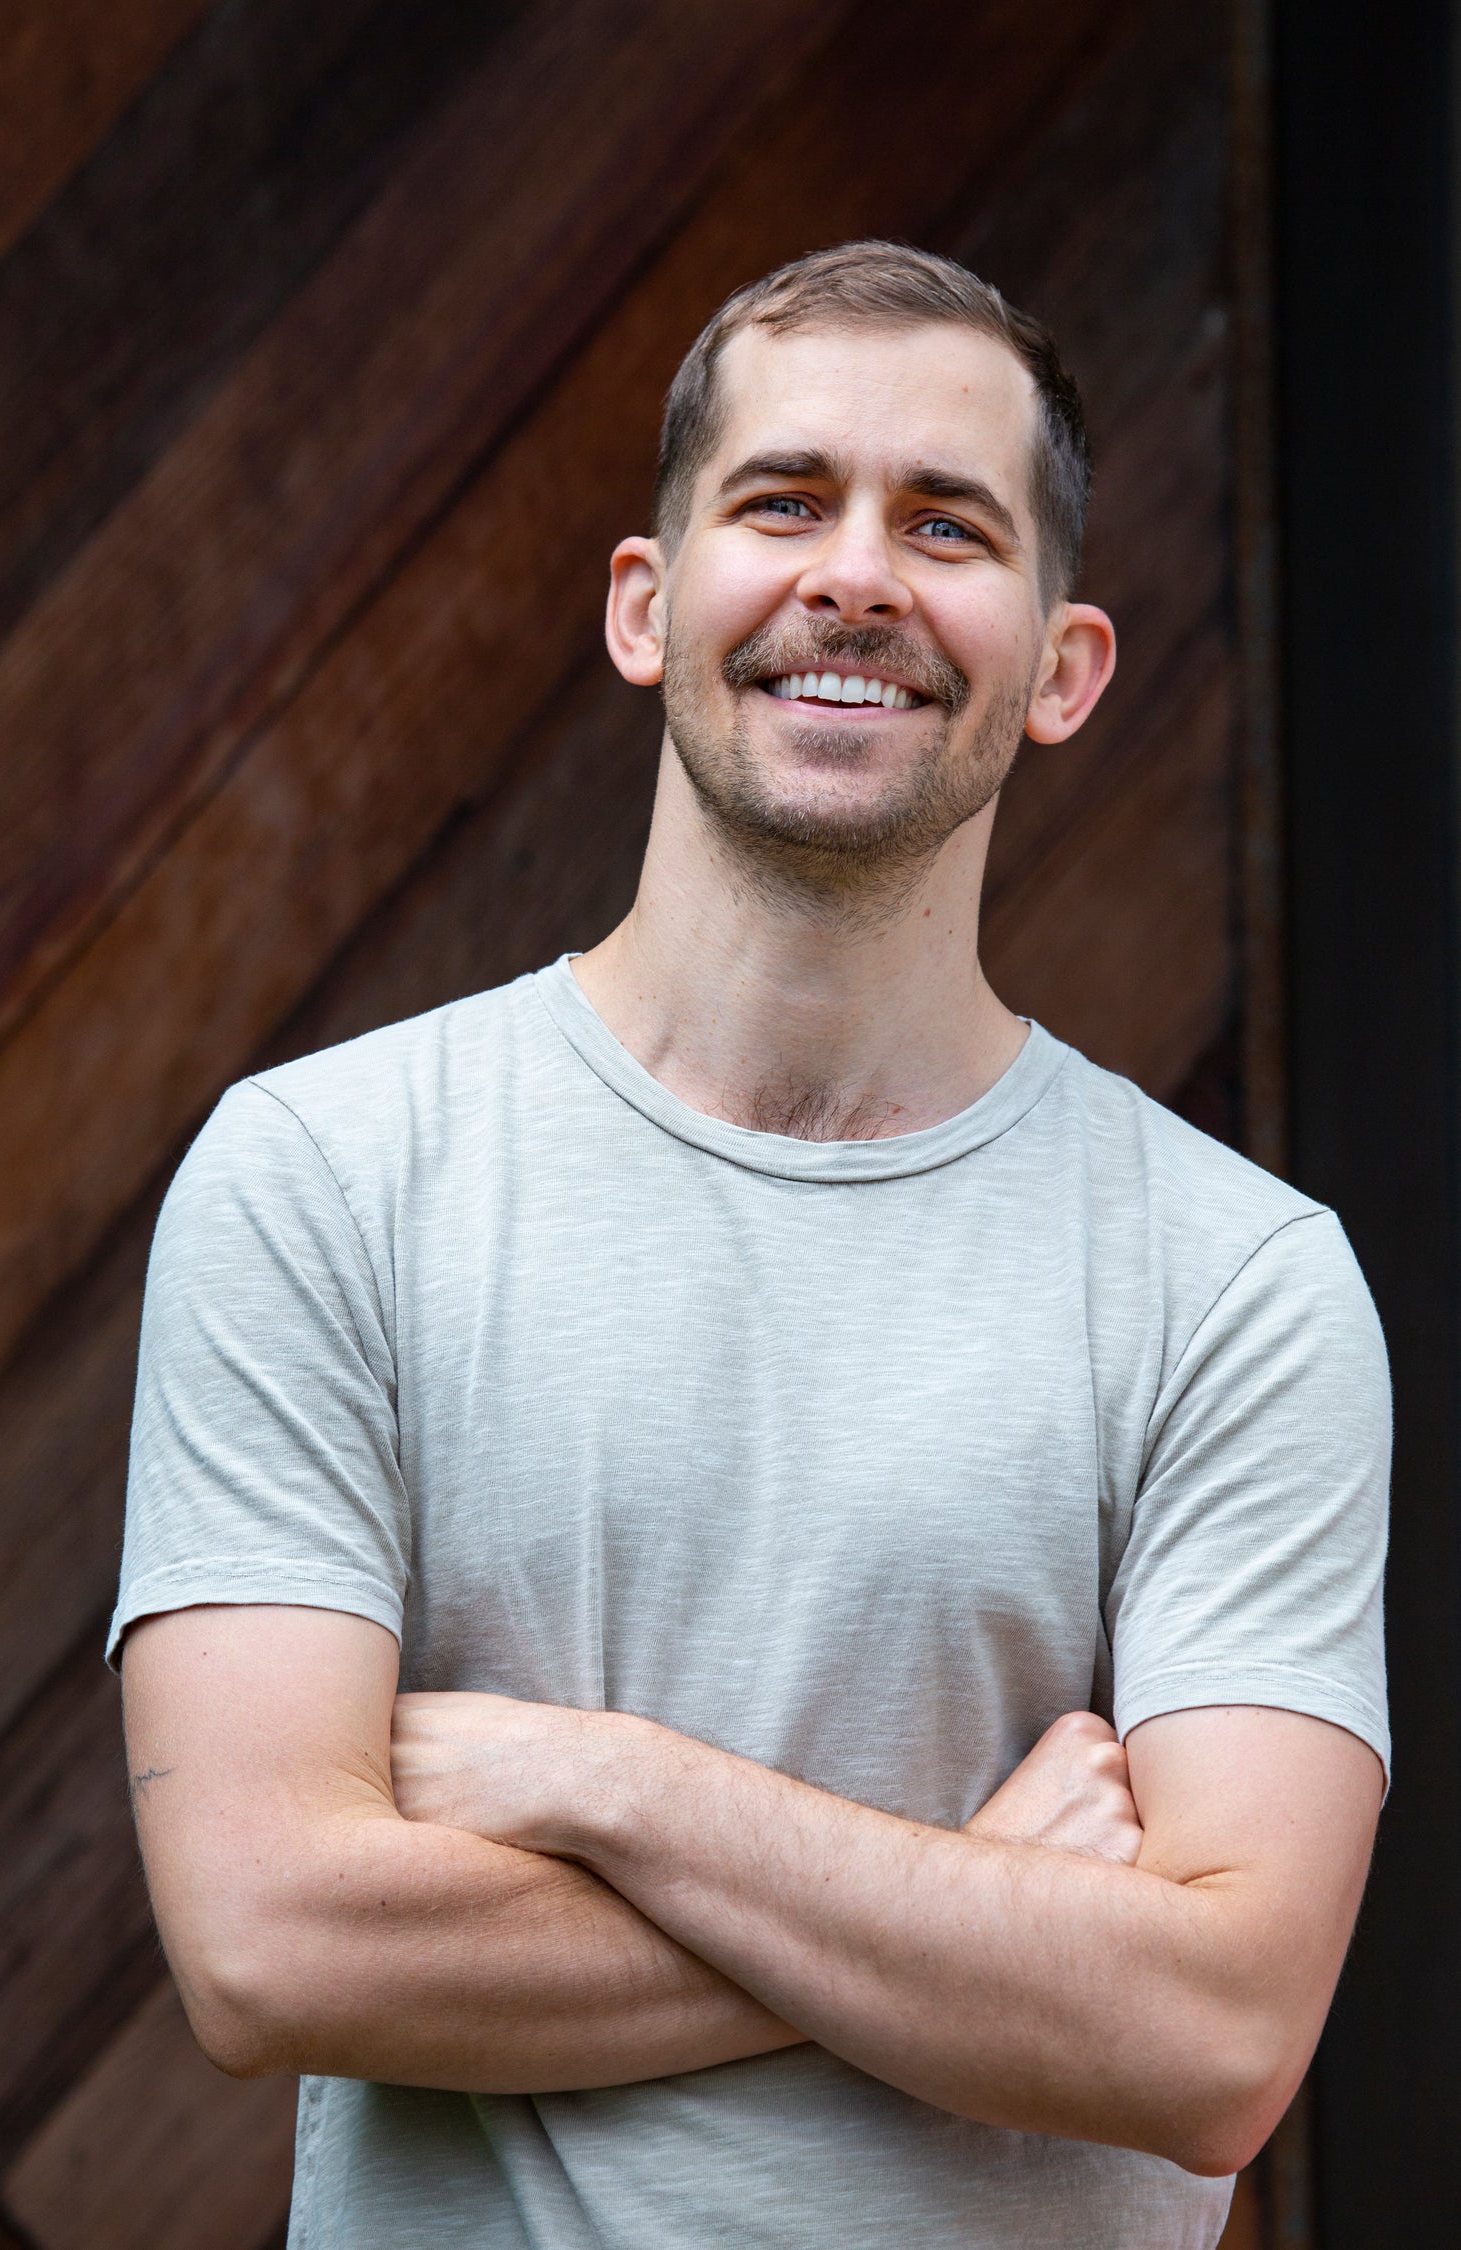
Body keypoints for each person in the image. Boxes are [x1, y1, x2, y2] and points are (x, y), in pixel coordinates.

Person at [115, 242, 1389, 2250]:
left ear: (1063, 667)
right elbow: (273, 1944)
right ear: (648, 605)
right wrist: (991, 1908)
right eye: (784, 501)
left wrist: (615, 1788)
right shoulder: (326, 1176)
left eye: (946, 524)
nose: (857, 576)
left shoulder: (1238, 1286)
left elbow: (1221, 2034)